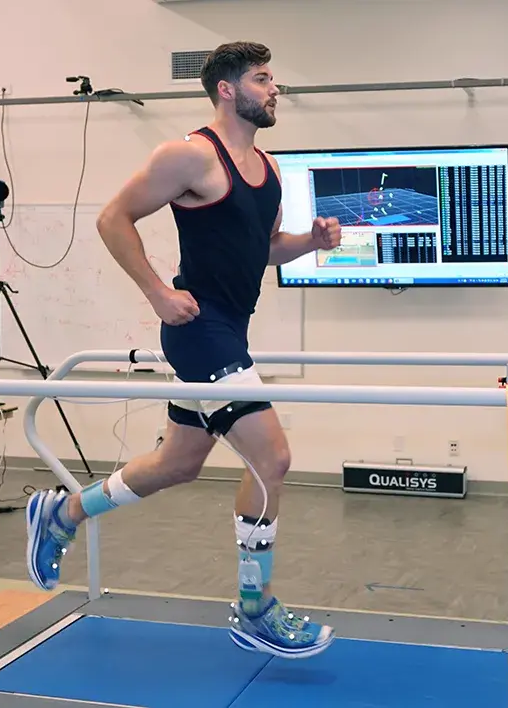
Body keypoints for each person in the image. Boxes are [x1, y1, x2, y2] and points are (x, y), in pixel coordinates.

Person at [25, 41, 342, 659]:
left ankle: (62, 515)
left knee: (178, 464)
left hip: (229, 330)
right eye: (262, 77)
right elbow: (113, 218)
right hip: (199, 330)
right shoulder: (190, 156)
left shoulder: (270, 168)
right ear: (228, 89)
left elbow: (265, 247)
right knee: (270, 459)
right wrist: (156, 293)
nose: (275, 88)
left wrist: (312, 241)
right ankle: (256, 608)